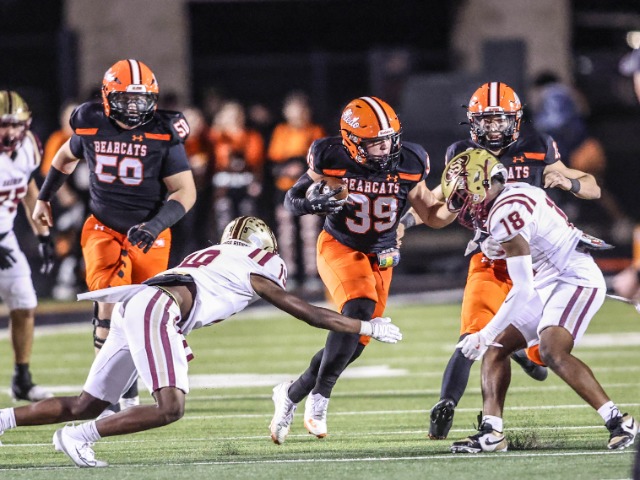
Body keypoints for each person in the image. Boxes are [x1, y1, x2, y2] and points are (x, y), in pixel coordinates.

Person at [0, 216, 402, 468]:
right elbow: (308, 313)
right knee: (170, 408)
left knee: (87, 403)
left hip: (136, 303)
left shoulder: (212, 253)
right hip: (156, 309)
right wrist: (365, 327)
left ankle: (4, 420)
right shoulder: (258, 264)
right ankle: (78, 437)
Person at [399, 81, 602, 440]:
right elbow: (441, 198)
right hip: (490, 258)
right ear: (472, 121)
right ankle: (454, 407)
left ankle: (525, 355)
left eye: (499, 119)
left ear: (516, 119)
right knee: (475, 334)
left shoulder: (538, 146)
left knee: (544, 353)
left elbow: (592, 186)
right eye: (485, 120)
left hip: (539, 262)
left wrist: (568, 182)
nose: (493, 127)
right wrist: (404, 223)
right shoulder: (463, 153)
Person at [269, 96, 455, 444]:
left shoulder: (410, 161)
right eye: (375, 143)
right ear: (352, 142)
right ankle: (320, 399)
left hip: (381, 256)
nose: (386, 148)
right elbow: (291, 200)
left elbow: (432, 215)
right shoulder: (331, 155)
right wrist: (311, 203)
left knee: (355, 342)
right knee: (358, 309)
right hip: (341, 245)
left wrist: (455, 205)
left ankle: (290, 394)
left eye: (389, 139)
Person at [437, 149, 637, 453]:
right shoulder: (514, 191)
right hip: (550, 276)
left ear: (481, 183)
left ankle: (619, 421)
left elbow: (522, 289)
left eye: (464, 195)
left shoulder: (504, 214)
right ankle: (492, 432)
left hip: (574, 276)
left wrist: (484, 333)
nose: (464, 205)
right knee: (497, 349)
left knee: (550, 350)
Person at [32, 59, 197, 416]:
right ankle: (106, 397)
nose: (135, 108)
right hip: (103, 227)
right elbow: (64, 157)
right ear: (108, 97)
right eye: (127, 99)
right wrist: (44, 197)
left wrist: (154, 226)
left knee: (144, 311)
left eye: (142, 99)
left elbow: (185, 192)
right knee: (107, 303)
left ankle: (131, 390)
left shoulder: (163, 132)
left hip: (150, 231)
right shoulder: (91, 123)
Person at [0, 90, 55, 402]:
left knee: (24, 303)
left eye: (14, 125)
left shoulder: (29, 147)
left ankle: (22, 379)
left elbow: (30, 190)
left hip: (4, 239)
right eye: (2, 125)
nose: (9, 132)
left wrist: (43, 236)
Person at [267, 92, 326, 291]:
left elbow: (320, 161)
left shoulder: (314, 130)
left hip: (309, 189)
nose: (297, 114)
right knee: (286, 234)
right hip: (285, 189)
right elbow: (274, 161)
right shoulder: (281, 131)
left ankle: (312, 273)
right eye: (293, 110)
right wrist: (287, 168)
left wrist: (301, 168)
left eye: (301, 110)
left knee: (310, 232)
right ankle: (290, 272)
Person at [41, 100, 89, 301]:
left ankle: (84, 281)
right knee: (66, 240)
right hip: (66, 203)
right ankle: (63, 282)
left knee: (87, 241)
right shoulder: (59, 139)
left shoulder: (90, 138)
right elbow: (49, 171)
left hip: (90, 202)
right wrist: (65, 195)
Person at [209, 100, 264, 239]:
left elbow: (255, 161)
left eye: (237, 115)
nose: (234, 119)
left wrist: (256, 180)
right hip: (223, 181)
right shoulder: (216, 136)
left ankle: (247, 247)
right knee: (223, 215)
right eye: (230, 115)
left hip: (245, 179)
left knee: (247, 215)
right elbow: (213, 159)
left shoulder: (252, 136)